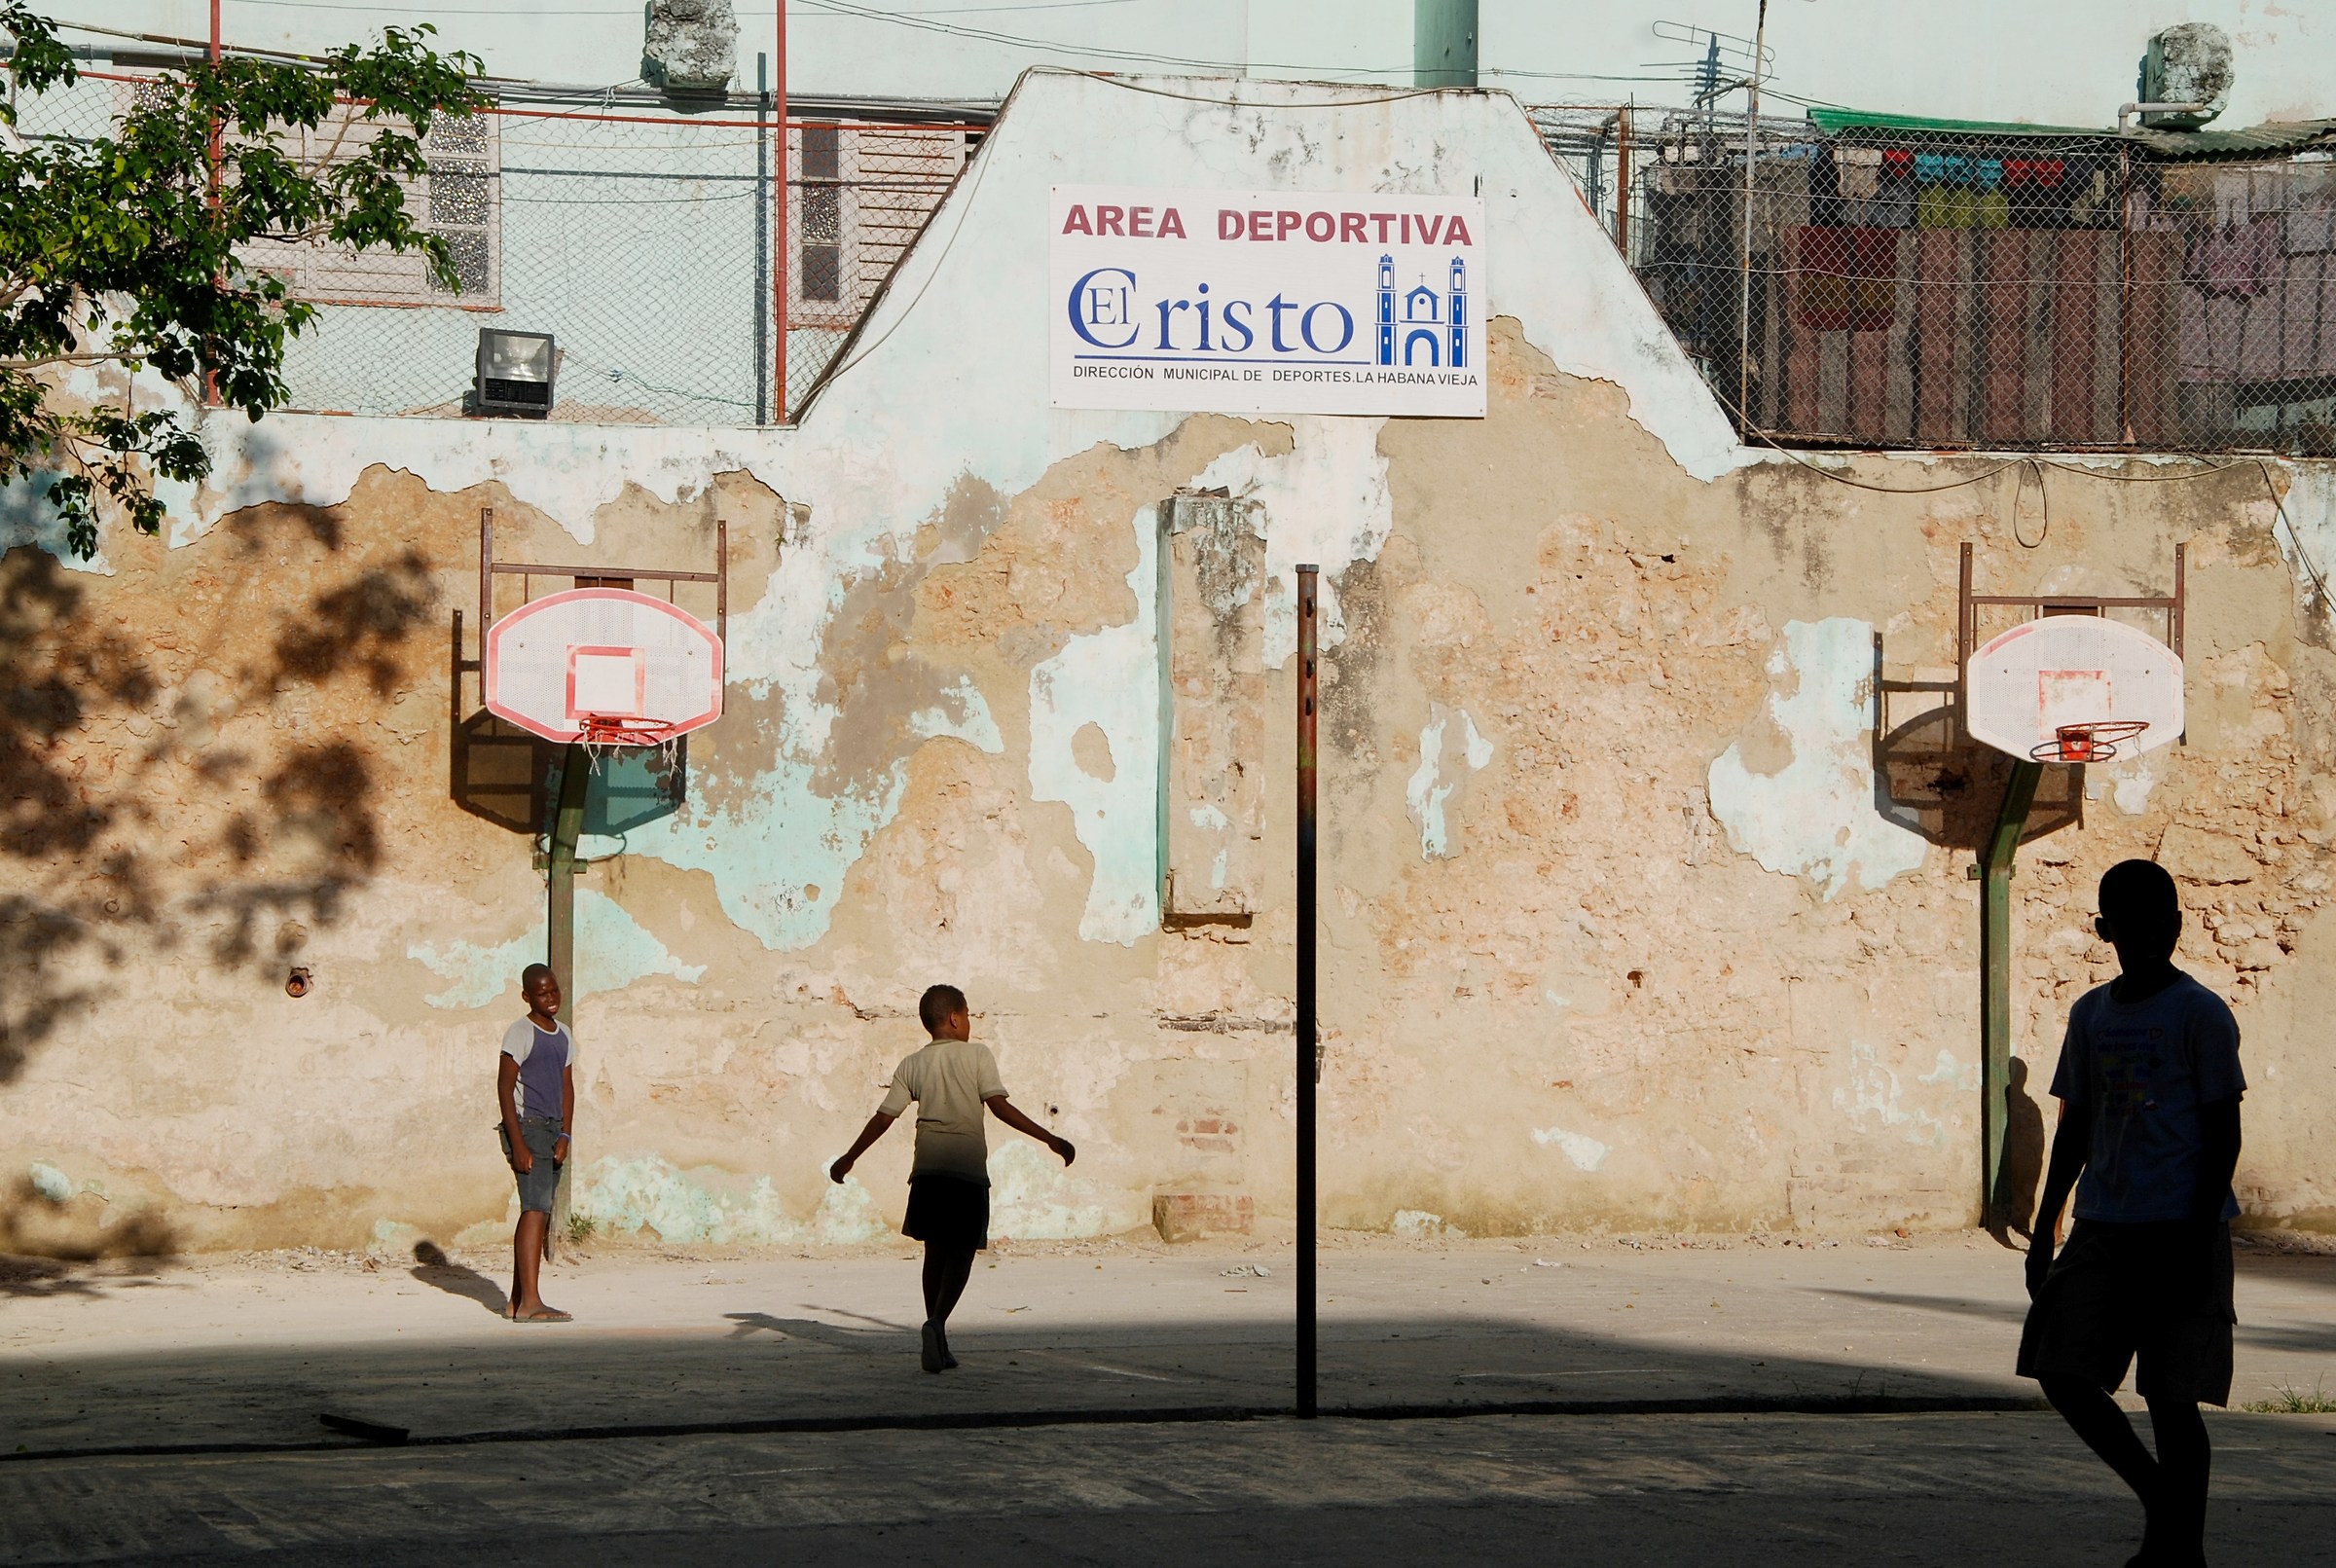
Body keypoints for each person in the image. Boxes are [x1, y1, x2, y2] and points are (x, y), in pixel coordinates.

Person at [2020, 859, 2245, 1568]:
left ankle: (2177, 1549)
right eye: (2128, 926)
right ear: (2103, 930)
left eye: (2160, 924)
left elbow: (2223, 1134)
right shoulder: (2090, 1015)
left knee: (2172, 1398)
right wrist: (2045, 1225)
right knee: (2059, 1364)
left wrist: (2196, 1233)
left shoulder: (2201, 1014)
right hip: (2105, 1227)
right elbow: (2076, 1128)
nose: (2145, 937)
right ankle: (2163, 1502)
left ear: (2176, 927)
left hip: (2183, 1229)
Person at [828, 984, 1075, 1373]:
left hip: (926, 1173)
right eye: (969, 1015)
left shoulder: (911, 1064)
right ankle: (937, 1323)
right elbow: (999, 1107)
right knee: (961, 1255)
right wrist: (1050, 1138)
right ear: (956, 1018)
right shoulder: (977, 1055)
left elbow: (883, 1118)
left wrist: (849, 1158)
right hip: (966, 1174)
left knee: (935, 1254)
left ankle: (936, 1336)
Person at [498, 962, 576, 1324]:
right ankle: (531, 1301)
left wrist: (566, 1134)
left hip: (553, 1131)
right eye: (542, 993)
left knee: (539, 1210)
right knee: (534, 1209)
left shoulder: (563, 1034)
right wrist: (519, 1144)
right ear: (527, 997)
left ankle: (517, 1301)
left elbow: (567, 1086)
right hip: (528, 1129)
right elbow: (504, 1086)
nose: (551, 998)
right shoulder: (520, 1032)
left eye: (554, 990)